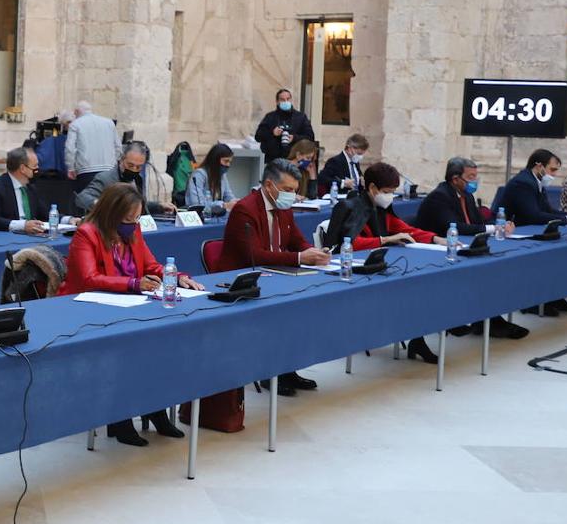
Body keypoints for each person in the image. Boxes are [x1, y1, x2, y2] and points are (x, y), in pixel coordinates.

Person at [57, 183, 204, 445]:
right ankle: (120, 419)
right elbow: (90, 278)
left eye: (136, 218)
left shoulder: (133, 232)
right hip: (87, 310)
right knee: (127, 349)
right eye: (128, 219)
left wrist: (177, 276)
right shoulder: (87, 234)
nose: (133, 224)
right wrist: (133, 284)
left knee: (160, 343)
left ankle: (154, 408)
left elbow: (151, 265)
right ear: (111, 213)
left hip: (127, 307)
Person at [217, 159, 330, 395]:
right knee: (281, 312)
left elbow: (296, 241)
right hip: (243, 282)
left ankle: (287, 369)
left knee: (302, 306)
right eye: (288, 190)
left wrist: (315, 253)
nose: (293, 196)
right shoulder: (245, 209)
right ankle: (270, 373)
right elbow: (254, 255)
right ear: (269, 185)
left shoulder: (283, 208)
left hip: (275, 275)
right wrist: (300, 258)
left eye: (295, 190)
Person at [327, 163, 447, 362]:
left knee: (418, 284)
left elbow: (405, 229)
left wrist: (435, 238)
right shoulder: (351, 206)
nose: (390, 197)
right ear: (372, 188)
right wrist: (385, 240)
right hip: (354, 273)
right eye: (387, 192)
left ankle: (417, 338)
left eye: (393, 192)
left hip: (376, 267)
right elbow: (350, 244)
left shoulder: (381, 208)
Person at [415, 157, 526, 339]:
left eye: (476, 176)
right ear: (455, 179)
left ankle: (488, 319)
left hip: (462, 249)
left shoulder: (467, 195)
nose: (475, 181)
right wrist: (493, 228)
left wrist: (501, 224)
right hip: (436, 254)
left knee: (491, 270)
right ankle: (474, 319)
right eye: (471, 177)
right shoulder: (439, 196)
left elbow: (478, 222)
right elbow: (455, 226)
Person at [499, 149, 567, 318]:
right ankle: (532, 303)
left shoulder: (536, 181)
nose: (553, 174)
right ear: (539, 166)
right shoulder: (523, 182)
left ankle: (553, 297)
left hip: (530, 230)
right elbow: (532, 215)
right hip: (514, 233)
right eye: (552, 170)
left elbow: (547, 209)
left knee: (559, 253)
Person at [74, 142, 177, 216]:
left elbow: (134, 206)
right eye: (130, 165)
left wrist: (159, 206)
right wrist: (103, 205)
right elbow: (82, 198)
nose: (134, 169)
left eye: (139, 167)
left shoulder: (137, 179)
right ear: (121, 160)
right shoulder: (105, 178)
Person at [0, 148, 51, 235]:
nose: (38, 169)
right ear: (22, 169)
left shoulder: (31, 188)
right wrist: (22, 225)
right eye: (35, 166)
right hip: (5, 238)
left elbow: (46, 214)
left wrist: (68, 219)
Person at [64, 100, 121, 192]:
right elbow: (118, 147)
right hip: (109, 170)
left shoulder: (75, 124)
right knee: (108, 202)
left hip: (86, 171)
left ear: (76, 112)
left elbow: (70, 149)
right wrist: (114, 163)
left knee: (87, 202)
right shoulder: (109, 122)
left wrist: (71, 168)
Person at [254, 89, 314, 162]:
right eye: (282, 100)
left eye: (288, 99)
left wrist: (294, 138)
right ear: (277, 102)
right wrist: (272, 132)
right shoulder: (270, 117)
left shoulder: (301, 117)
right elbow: (258, 136)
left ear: (291, 100)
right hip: (273, 159)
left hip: (295, 160)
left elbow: (310, 137)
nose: (286, 101)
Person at [184, 143, 239, 217]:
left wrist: (235, 202)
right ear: (215, 160)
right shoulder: (198, 175)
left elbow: (228, 196)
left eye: (230, 162)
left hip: (216, 217)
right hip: (198, 219)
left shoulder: (222, 176)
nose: (228, 165)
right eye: (226, 161)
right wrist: (223, 205)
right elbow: (197, 205)